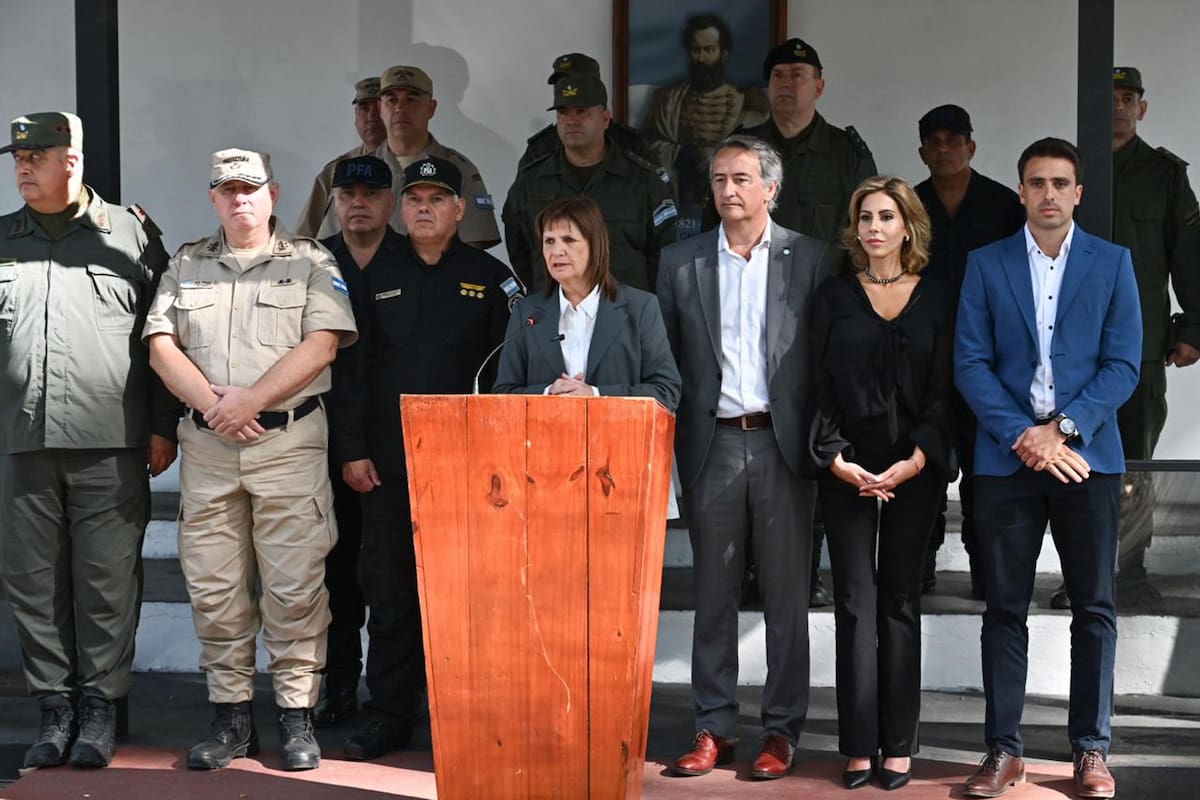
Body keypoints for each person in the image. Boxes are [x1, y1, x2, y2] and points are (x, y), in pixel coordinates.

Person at [143, 148, 358, 772]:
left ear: (274, 193)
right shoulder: (186, 263)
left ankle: (297, 719)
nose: (239, 199)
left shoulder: (313, 262)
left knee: (294, 589)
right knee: (215, 590)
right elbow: (161, 346)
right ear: (213, 198)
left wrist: (251, 402)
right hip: (210, 450)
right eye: (226, 190)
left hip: (287, 445)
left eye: (250, 188)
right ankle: (232, 719)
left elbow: (322, 344)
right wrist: (218, 407)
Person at [956, 138, 1141, 800]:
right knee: (1004, 606)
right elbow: (970, 362)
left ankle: (1090, 751)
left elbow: (1123, 365)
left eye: (1061, 183)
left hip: (1086, 459)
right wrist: (1024, 438)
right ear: (1023, 191)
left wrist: (1060, 431)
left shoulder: (1114, 264)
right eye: (1037, 183)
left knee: (1095, 605)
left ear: (1079, 193)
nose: (1049, 194)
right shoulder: (987, 263)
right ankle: (1004, 751)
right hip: (1007, 463)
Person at [0, 111, 178, 769]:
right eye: (17, 158)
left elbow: (163, 337)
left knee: (107, 583)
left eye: (36, 156)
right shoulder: (0, 239)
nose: (22, 167)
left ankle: (100, 712)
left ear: (70, 161)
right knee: (33, 581)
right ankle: (54, 710)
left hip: (111, 443)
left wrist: (163, 425)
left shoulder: (130, 236)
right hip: (20, 443)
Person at [332, 155, 520, 761]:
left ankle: (458, 714)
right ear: (400, 208)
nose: (423, 208)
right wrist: (353, 450)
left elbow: (509, 374)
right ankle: (388, 714)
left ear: (460, 211)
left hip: (467, 468)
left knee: (463, 595)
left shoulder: (491, 278)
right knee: (388, 596)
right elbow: (352, 372)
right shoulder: (370, 274)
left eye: (437, 199)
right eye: (414, 199)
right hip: (387, 465)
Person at [658, 134, 832, 780]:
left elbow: (821, 360)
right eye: (720, 180)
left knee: (787, 597)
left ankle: (781, 731)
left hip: (785, 446)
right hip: (715, 444)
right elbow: (670, 362)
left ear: (771, 188)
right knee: (714, 594)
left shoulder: (811, 259)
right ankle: (713, 726)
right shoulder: (682, 263)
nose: (729, 191)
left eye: (742, 179)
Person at [810, 176, 953, 791]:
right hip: (846, 469)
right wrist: (835, 457)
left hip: (914, 468)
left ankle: (898, 745)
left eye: (886, 217)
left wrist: (918, 459)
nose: (874, 228)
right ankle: (859, 745)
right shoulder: (834, 296)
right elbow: (814, 383)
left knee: (899, 601)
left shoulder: (940, 295)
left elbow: (949, 389)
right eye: (865, 217)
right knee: (853, 604)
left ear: (908, 227)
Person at [724, 37, 877, 609]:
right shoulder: (743, 151)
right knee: (747, 443)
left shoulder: (844, 153)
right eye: (779, 75)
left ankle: (804, 567)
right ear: (768, 88)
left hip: (820, 319)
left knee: (809, 441)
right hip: (746, 319)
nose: (788, 84)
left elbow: (868, 234)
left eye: (799, 74)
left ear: (820, 84)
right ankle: (746, 568)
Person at [1044, 67, 1200, 611]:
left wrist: (1193, 328)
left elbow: (1188, 255)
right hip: (1068, 343)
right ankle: (1080, 576)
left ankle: (1129, 571)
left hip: (1139, 343)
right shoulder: (1067, 172)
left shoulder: (1163, 174)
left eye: (1127, 98)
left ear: (1142, 108)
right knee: (1072, 457)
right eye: (1107, 99)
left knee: (1134, 462)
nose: (1117, 107)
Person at [913, 104, 1025, 598]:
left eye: (954, 140)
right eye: (934, 142)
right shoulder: (910, 206)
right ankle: (919, 566)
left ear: (971, 148)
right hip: (923, 355)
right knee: (927, 462)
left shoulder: (1003, 205)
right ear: (922, 152)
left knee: (988, 470)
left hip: (989, 358)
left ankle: (987, 572)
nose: (944, 149)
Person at [311, 154, 397, 727]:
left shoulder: (414, 262)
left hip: (394, 449)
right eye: (347, 194)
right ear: (334, 202)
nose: (357, 202)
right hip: (323, 448)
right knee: (335, 577)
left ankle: (398, 694)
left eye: (370, 193)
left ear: (389, 201)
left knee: (394, 583)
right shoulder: (313, 265)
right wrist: (345, 448)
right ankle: (338, 688)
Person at [493, 195, 680, 411]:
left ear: (595, 245)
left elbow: (666, 391)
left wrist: (596, 394)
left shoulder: (641, 308)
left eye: (569, 240)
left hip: (620, 440)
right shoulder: (527, 312)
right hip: (544, 440)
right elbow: (502, 393)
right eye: (549, 241)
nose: (556, 251)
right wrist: (547, 393)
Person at [503, 73, 679, 294]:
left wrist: (639, 305)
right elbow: (520, 250)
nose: (571, 120)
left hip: (623, 315)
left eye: (582, 111)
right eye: (563, 112)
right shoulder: (532, 180)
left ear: (605, 119)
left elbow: (663, 254)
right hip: (555, 312)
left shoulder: (643, 180)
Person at [316, 65, 501, 249]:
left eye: (411, 100)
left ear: (431, 108)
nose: (400, 109)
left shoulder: (460, 169)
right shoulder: (355, 172)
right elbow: (330, 247)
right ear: (381, 108)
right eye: (392, 100)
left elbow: (473, 248)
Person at [640, 14, 768, 227]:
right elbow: (644, 148)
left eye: (708, 50)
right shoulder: (666, 100)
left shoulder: (750, 101)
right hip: (678, 208)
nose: (700, 58)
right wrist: (682, 154)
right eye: (695, 50)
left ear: (723, 53)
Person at [517, 52, 655, 173]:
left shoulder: (631, 145)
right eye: (559, 83)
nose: (567, 88)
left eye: (574, 81)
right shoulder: (540, 148)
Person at [294, 77, 385, 238]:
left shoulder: (415, 167)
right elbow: (303, 239)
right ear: (355, 117)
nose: (372, 116)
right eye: (364, 108)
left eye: (379, 108)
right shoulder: (336, 171)